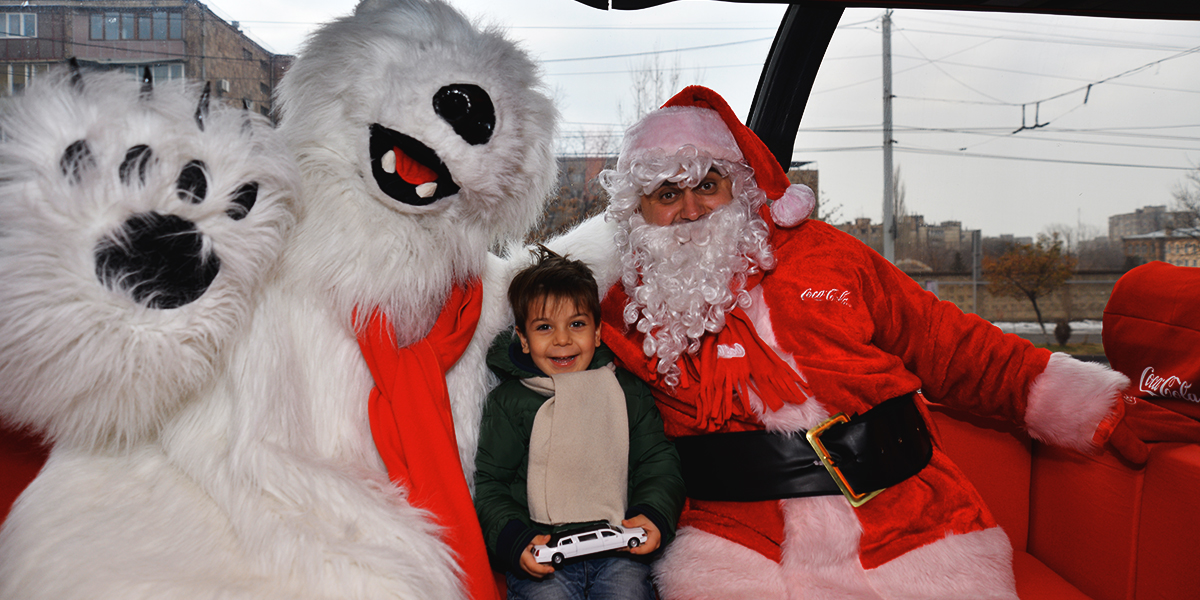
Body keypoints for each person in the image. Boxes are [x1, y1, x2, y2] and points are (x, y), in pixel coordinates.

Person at [584, 85, 1141, 600]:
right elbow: (564, 387)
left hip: (913, 521)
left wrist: (1094, 404)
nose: (691, 209)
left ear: (740, 187)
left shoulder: (826, 255)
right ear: (638, 211)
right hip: (744, 547)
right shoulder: (622, 312)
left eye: (707, 184)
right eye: (666, 193)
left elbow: (950, 343)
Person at [473, 246, 685, 600]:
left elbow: (658, 461)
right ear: (523, 340)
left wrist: (653, 513)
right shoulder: (510, 402)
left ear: (598, 333)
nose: (562, 340)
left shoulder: (625, 390)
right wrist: (515, 539)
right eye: (544, 327)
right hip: (545, 552)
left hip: (619, 545)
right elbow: (491, 483)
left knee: (629, 592)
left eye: (576, 324)